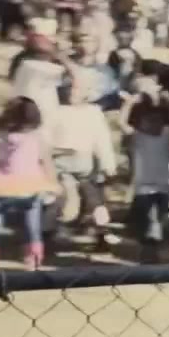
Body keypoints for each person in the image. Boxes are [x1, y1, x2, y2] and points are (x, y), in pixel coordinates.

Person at [0, 97, 55, 270]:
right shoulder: (38, 138)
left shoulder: (4, 137)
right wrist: (53, 183)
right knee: (31, 226)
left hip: (4, 185)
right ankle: (32, 258)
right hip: (32, 184)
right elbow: (47, 162)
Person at [50, 71, 120, 248]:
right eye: (70, 88)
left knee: (95, 200)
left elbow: (101, 139)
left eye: (77, 89)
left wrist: (108, 164)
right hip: (62, 164)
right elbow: (47, 138)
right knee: (68, 199)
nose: (72, 92)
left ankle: (102, 231)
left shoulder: (93, 112)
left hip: (86, 164)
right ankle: (59, 228)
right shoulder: (57, 111)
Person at [125, 96, 169, 263]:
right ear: (140, 122)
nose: (153, 124)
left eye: (158, 120)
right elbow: (122, 123)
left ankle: (161, 256)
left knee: (160, 223)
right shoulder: (137, 137)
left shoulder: (167, 135)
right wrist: (129, 103)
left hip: (164, 189)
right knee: (149, 227)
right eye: (149, 120)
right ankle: (149, 259)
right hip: (143, 190)